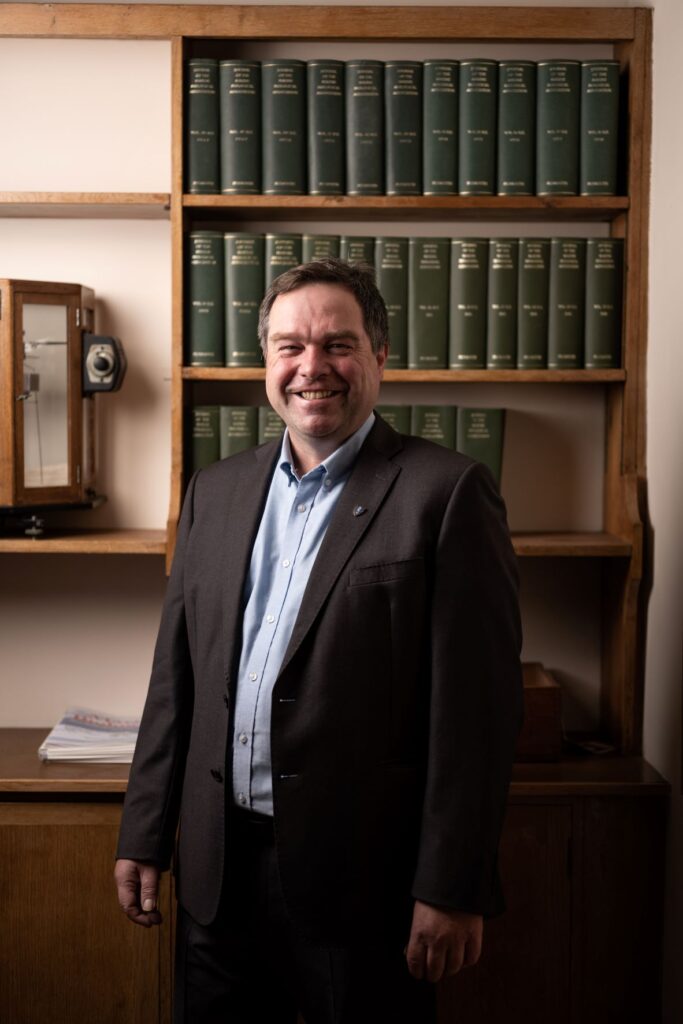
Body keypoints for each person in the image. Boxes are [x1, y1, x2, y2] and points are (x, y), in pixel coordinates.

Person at [115, 257, 523, 1024]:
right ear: (265, 361)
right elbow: (178, 680)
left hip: (364, 886)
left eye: (338, 344)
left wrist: (451, 886)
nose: (313, 368)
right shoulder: (217, 490)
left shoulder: (447, 492)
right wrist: (144, 832)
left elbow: (477, 717)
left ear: (380, 356)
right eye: (289, 347)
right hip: (217, 876)